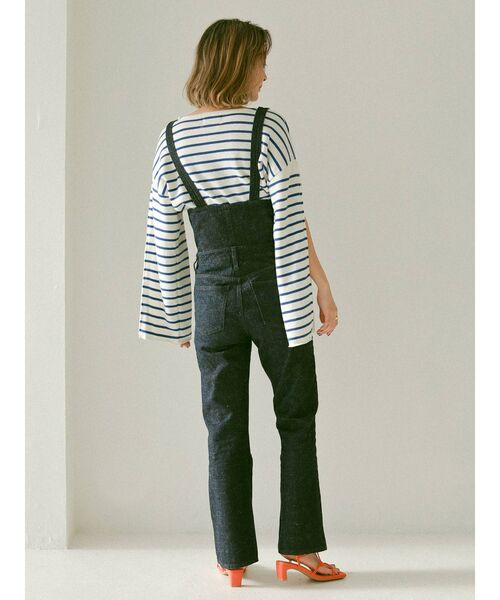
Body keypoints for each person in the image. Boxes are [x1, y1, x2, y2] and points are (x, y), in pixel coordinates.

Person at [138, 18, 346, 587]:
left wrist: (179, 315)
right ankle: (300, 551)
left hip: (211, 296)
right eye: (260, 62)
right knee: (296, 417)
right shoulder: (267, 126)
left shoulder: (172, 138)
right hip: (273, 288)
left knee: (223, 426)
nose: (265, 74)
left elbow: (164, 235)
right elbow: (289, 217)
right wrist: (319, 286)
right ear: (237, 64)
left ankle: (231, 558)